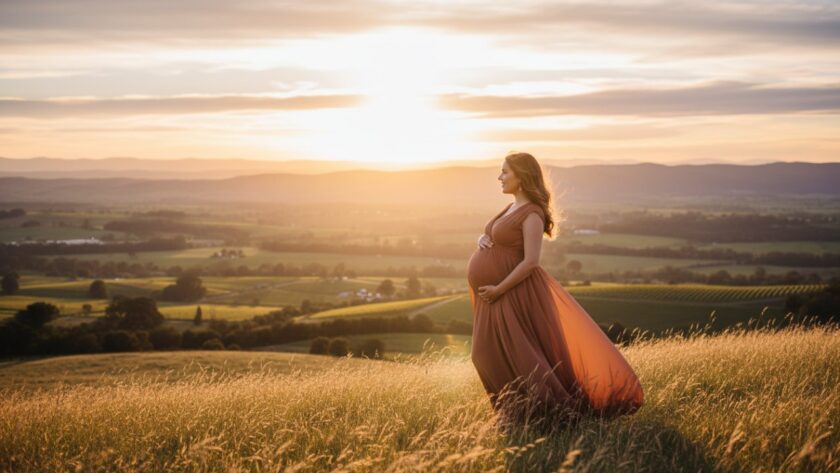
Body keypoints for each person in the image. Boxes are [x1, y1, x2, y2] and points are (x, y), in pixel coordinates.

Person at [466, 152, 644, 432]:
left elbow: (531, 261)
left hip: (511, 294)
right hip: (494, 296)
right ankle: (512, 413)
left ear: (521, 177)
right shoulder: (511, 207)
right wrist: (482, 237)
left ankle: (546, 416)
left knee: (517, 357)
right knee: (484, 354)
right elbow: (499, 239)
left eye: (504, 172)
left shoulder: (532, 213)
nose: (499, 177)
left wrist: (500, 288)